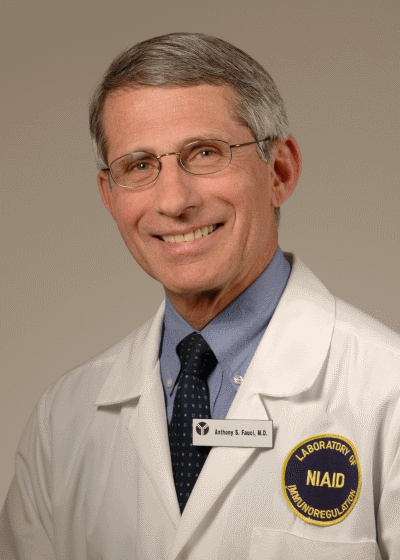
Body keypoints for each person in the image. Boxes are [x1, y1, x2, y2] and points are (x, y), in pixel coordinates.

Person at [1, 32, 399, 560]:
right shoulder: (64, 420)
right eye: (139, 166)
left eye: (205, 153)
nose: (173, 201)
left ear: (279, 171)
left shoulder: (387, 391)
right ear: (109, 195)